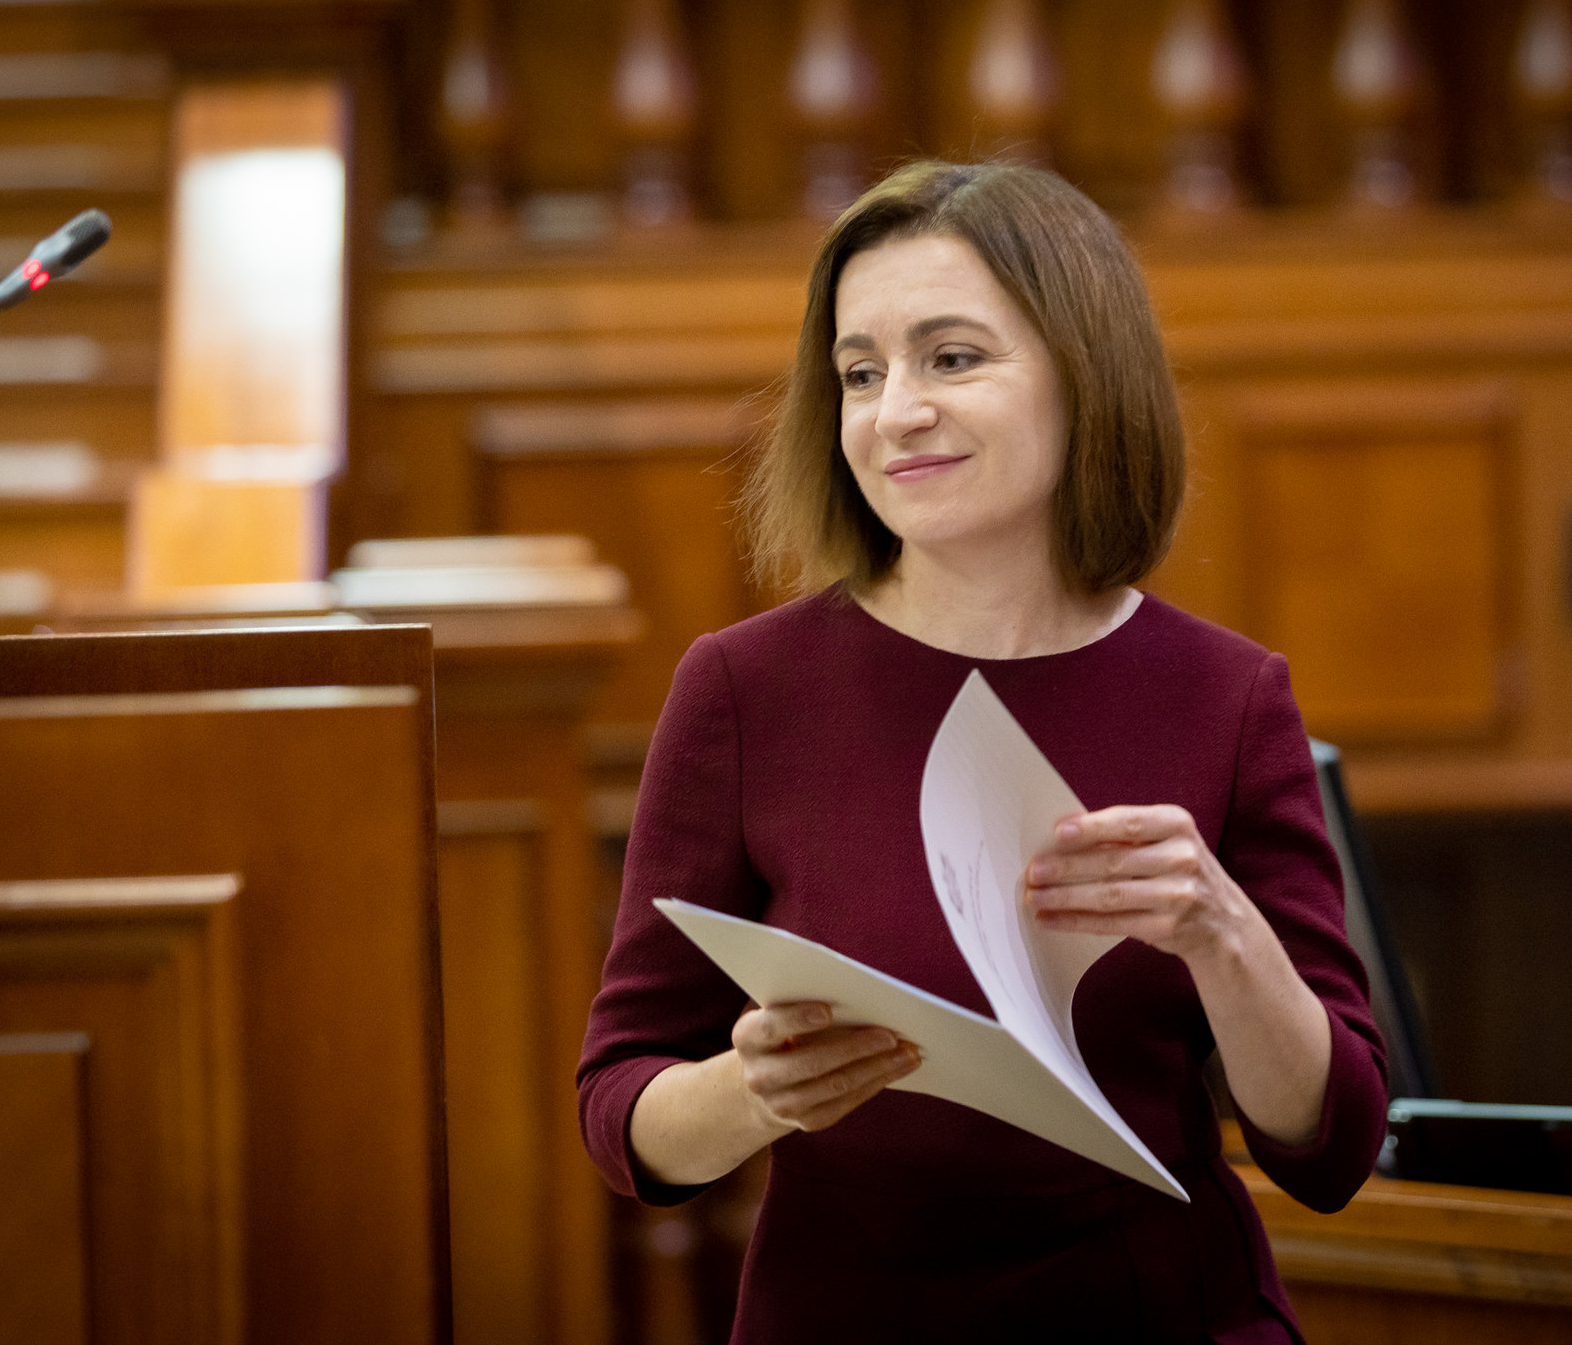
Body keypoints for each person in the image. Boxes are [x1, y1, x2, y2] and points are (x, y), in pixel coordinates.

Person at [577, 160, 1387, 1344]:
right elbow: (619, 1109)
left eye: (951, 358)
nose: (894, 409)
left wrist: (1221, 932)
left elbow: (1332, 1144)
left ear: (1083, 375)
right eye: (860, 372)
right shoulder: (745, 689)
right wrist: (748, 1092)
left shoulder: (1225, 694)